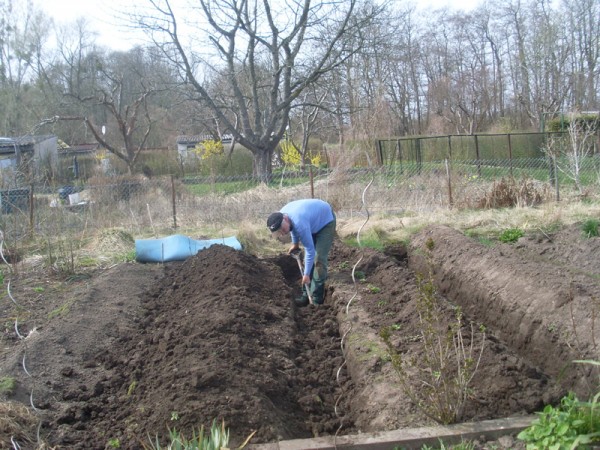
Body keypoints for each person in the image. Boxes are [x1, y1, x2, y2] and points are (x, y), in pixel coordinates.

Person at [267, 198, 336, 306]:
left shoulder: (299, 221)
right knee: (308, 262)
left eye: (281, 228)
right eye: (278, 232)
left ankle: (316, 298)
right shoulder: (283, 216)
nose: (281, 232)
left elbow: (309, 250)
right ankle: (305, 295)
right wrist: (295, 243)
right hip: (311, 221)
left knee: (319, 259)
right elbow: (292, 228)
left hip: (325, 221)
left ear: (284, 218)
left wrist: (307, 274)